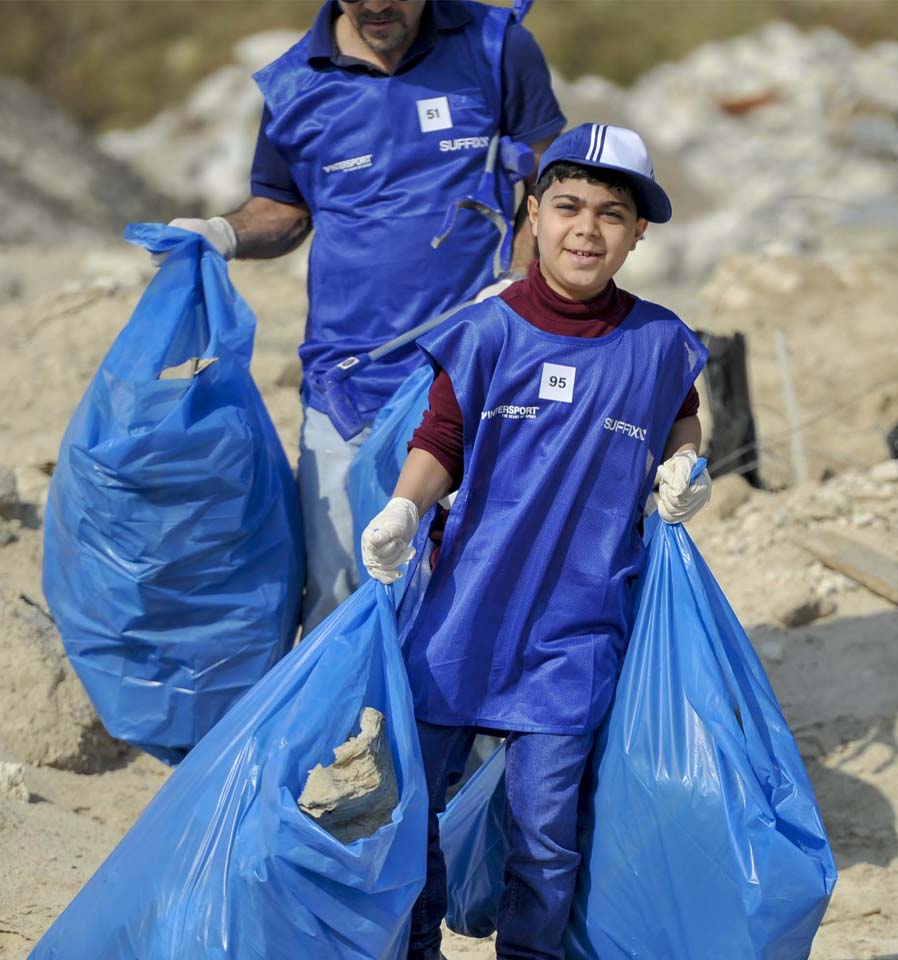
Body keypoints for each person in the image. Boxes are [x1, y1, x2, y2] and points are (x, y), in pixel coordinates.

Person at [361, 123, 712, 960]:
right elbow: (440, 437)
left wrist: (687, 462)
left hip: (574, 634)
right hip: (460, 620)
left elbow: (687, 414)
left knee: (547, 842)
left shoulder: (659, 341)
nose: (586, 230)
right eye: (568, 207)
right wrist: (404, 511)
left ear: (639, 233)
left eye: (612, 214)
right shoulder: (487, 330)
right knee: (412, 812)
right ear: (533, 213)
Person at [155, 0, 565, 632]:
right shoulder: (294, 84)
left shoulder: (496, 46)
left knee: (473, 592)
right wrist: (223, 232)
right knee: (340, 592)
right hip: (344, 387)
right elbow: (284, 210)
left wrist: (518, 278)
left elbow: (552, 181)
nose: (376, 5)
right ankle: (344, 728)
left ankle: (447, 730)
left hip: (472, 381)